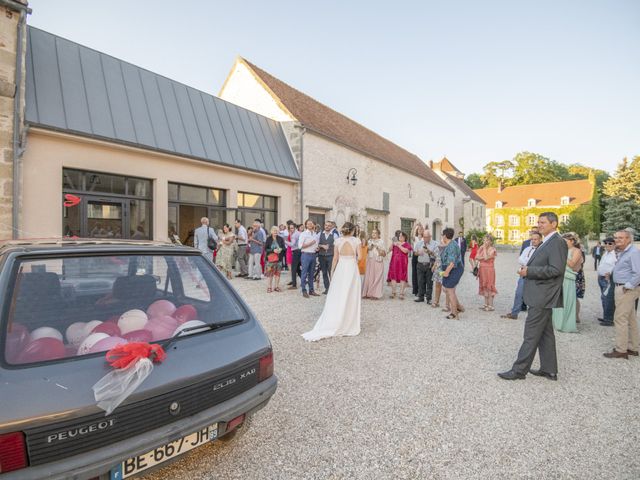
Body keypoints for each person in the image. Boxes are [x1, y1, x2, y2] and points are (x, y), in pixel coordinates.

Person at [498, 212, 567, 381]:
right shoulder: (548, 241)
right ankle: (549, 369)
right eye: (538, 222)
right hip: (540, 293)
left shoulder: (557, 242)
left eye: (543, 222)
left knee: (531, 334)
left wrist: (530, 271)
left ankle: (519, 370)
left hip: (542, 294)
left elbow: (556, 269)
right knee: (545, 333)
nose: (539, 224)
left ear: (554, 224)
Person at [302, 222, 361, 341]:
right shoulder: (356, 241)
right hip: (351, 268)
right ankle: (348, 321)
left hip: (340, 268)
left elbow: (335, 259)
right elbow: (359, 257)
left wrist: (332, 273)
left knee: (338, 294)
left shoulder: (338, 241)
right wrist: (354, 261)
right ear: (352, 230)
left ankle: (336, 318)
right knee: (351, 294)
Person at [603, 228, 640, 359]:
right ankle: (633, 347)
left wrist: (628, 286)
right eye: (616, 237)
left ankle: (621, 350)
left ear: (628, 239)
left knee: (620, 318)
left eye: (621, 238)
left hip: (626, 289)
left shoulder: (633, 252)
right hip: (623, 287)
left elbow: (638, 272)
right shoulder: (624, 252)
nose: (617, 240)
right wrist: (612, 274)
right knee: (631, 319)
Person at [501, 231, 541, 319]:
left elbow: (536, 263)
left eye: (535, 239)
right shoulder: (527, 249)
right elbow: (520, 259)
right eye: (532, 239)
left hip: (534, 275)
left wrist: (527, 262)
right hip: (523, 274)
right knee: (519, 293)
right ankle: (514, 313)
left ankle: (534, 316)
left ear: (540, 240)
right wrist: (528, 263)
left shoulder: (542, 250)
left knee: (534, 295)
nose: (533, 241)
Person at [551, 232, 583, 333]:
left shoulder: (576, 251)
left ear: (572, 241)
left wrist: (562, 254)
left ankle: (566, 323)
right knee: (557, 300)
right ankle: (556, 322)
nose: (563, 243)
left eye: (565, 241)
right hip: (558, 277)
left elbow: (573, 264)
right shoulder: (561, 250)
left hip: (568, 279)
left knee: (566, 300)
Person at [440, 228, 464, 320]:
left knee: (450, 290)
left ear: (445, 236)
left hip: (455, 269)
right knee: (447, 289)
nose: (442, 236)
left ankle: (454, 314)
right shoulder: (447, 244)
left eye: (442, 235)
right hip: (448, 268)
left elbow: (452, 263)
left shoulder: (452, 246)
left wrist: (446, 273)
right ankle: (459, 307)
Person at [597, 237, 617, 326]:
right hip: (601, 278)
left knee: (608, 299)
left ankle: (609, 320)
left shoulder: (615, 255)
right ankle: (606, 316)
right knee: (603, 298)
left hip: (608, 279)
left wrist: (610, 276)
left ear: (614, 245)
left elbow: (616, 267)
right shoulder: (605, 253)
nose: (607, 245)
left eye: (610, 243)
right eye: (606, 243)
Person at [414, 230, 437, 304]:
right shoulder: (419, 243)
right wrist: (418, 253)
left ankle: (429, 298)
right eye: (424, 237)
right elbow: (415, 253)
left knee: (429, 282)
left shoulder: (435, 243)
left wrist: (429, 251)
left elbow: (437, 255)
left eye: (427, 237)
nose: (425, 239)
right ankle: (421, 297)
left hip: (429, 265)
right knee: (420, 281)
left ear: (430, 237)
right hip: (420, 264)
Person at [362, 229, 386, 299]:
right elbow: (365, 251)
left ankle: (376, 294)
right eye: (372, 233)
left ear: (378, 234)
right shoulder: (369, 241)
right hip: (370, 260)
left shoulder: (381, 241)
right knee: (369, 277)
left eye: (375, 233)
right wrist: (369, 247)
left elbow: (384, 254)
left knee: (377, 276)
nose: (373, 234)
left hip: (378, 260)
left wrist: (378, 248)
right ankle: (367, 293)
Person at [298, 219, 320, 298]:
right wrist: (311, 243)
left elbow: (316, 245)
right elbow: (300, 246)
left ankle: (311, 290)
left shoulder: (315, 234)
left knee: (311, 274)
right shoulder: (303, 234)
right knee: (304, 274)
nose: (310, 225)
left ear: (313, 225)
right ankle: (304, 290)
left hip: (313, 255)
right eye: (308, 224)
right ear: (306, 225)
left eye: (311, 223)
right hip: (305, 255)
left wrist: (317, 248)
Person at [388, 232, 412, 299]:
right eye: (399, 236)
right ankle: (393, 292)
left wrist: (399, 245)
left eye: (401, 236)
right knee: (393, 277)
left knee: (402, 277)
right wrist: (392, 243)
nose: (400, 237)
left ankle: (401, 293)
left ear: (404, 237)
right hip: (394, 262)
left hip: (403, 263)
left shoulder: (407, 244)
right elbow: (389, 249)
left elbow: (405, 251)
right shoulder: (395, 243)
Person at [477, 235, 498, 311]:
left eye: (487, 240)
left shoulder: (493, 249)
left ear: (491, 241)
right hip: (482, 269)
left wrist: (485, 249)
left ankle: (491, 305)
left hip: (489, 270)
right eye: (485, 240)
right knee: (484, 285)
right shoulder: (481, 248)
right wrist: (482, 256)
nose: (485, 242)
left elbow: (486, 258)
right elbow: (476, 257)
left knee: (490, 286)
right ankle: (486, 304)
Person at [318, 222, 337, 294]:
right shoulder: (319, 234)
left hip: (331, 256)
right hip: (321, 256)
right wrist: (322, 246)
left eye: (329, 226)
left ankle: (333, 288)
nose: (327, 227)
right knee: (324, 272)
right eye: (326, 225)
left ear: (331, 227)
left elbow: (337, 245)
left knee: (331, 272)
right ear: (324, 226)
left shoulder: (334, 235)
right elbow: (316, 243)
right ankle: (327, 288)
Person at [265, 226, 285, 292]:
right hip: (270, 259)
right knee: (270, 274)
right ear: (271, 231)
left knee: (277, 273)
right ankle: (269, 287)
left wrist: (280, 249)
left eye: (276, 230)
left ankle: (276, 287)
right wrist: (273, 250)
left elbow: (284, 248)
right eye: (274, 230)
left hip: (279, 259)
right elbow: (265, 249)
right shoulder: (268, 239)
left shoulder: (281, 239)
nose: (275, 232)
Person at [430, 239, 447, 309]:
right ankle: (436, 301)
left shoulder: (448, 248)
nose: (442, 240)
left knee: (446, 287)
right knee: (437, 285)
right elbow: (437, 258)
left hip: (445, 268)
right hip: (438, 269)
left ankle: (447, 305)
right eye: (442, 238)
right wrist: (434, 266)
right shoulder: (437, 248)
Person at [286, 223, 302, 290]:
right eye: (290, 228)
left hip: (296, 252)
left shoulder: (294, 235)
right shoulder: (299, 233)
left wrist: (285, 241)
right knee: (298, 268)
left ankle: (294, 285)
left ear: (295, 227)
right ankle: (304, 281)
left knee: (293, 268)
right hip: (300, 251)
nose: (291, 229)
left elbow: (292, 244)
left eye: (292, 228)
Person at [411, 224, 425, 296]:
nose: (420, 230)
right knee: (415, 273)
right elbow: (411, 235)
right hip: (415, 255)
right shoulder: (415, 238)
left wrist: (422, 226)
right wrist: (414, 227)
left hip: (422, 255)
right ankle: (415, 290)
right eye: (419, 229)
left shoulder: (424, 238)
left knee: (422, 273)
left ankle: (422, 290)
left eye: (421, 229)